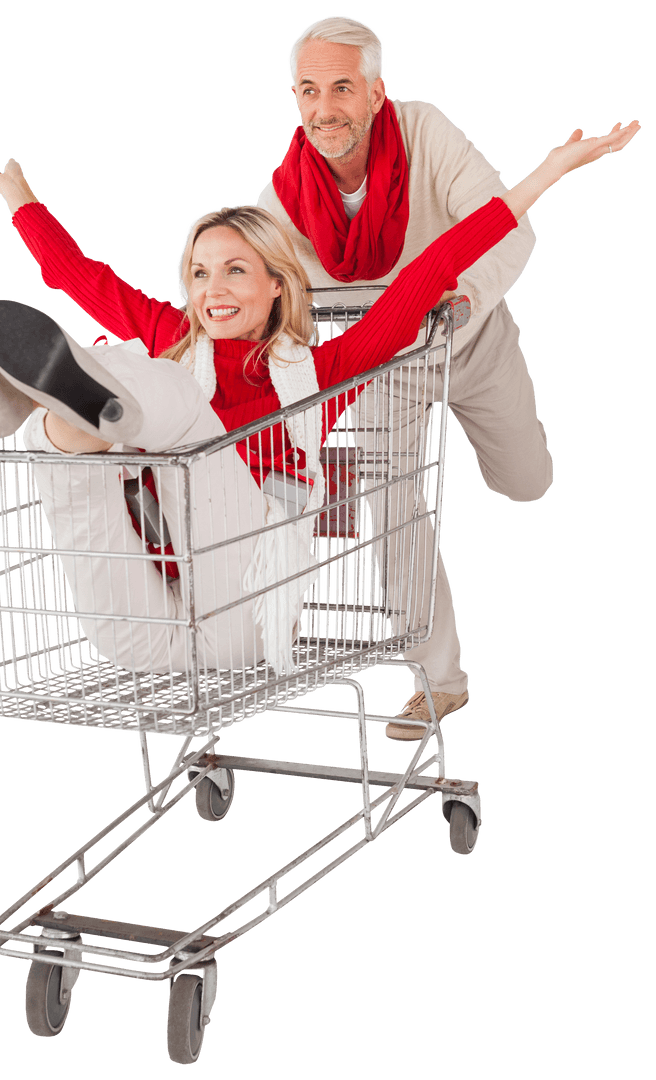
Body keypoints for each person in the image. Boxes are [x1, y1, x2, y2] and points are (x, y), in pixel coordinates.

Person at [0, 120, 639, 703]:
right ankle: (44, 414)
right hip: (146, 632)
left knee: (161, 390)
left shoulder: (320, 369)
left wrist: (546, 172)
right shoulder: (176, 332)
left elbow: (432, 268)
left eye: (237, 270)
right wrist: (17, 192)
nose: (214, 288)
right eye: (200, 271)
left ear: (278, 284)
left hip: (243, 601)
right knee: (73, 459)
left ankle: (42, 397)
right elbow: (73, 273)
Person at [256, 15, 639, 737]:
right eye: (307, 90)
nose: (323, 107)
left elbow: (508, 226)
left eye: (341, 87)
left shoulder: (426, 132)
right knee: (388, 504)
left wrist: (461, 302)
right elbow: (251, 286)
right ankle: (440, 681)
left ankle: (506, 464)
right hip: (385, 366)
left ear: (376, 93)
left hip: (471, 336)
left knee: (526, 482)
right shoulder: (283, 199)